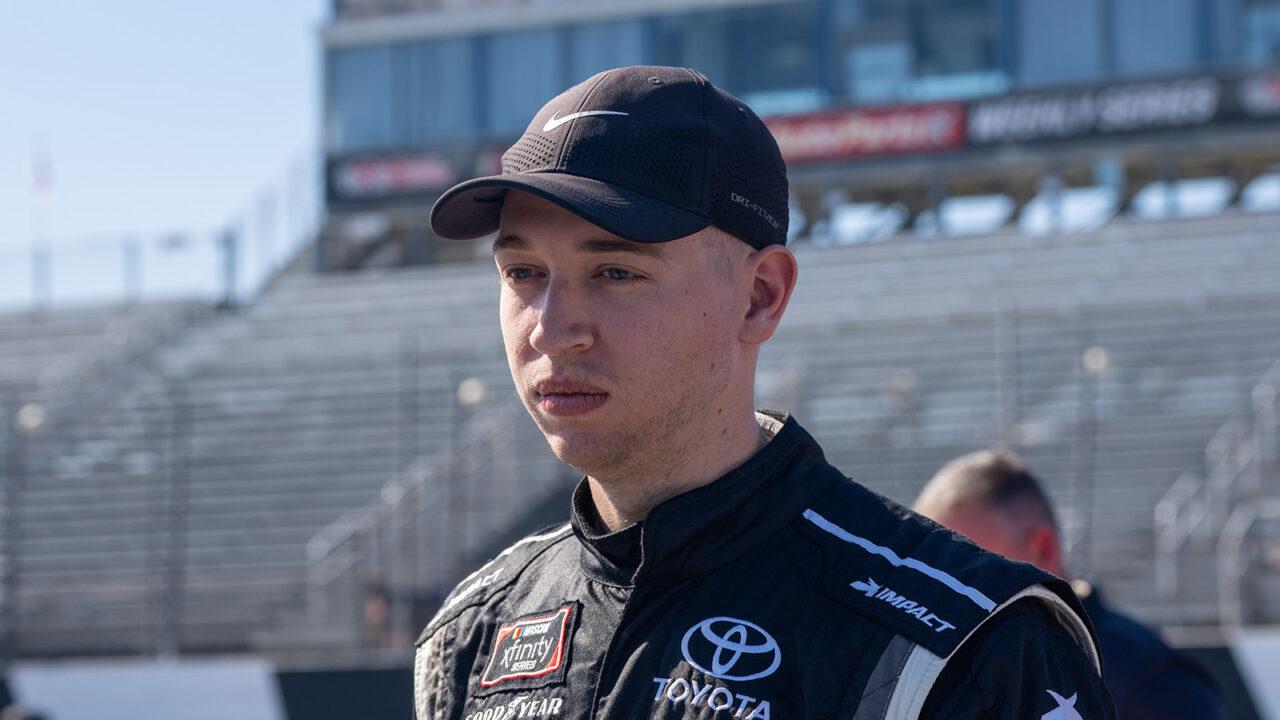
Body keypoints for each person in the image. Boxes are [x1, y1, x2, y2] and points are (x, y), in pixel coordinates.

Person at [413, 65, 1114, 720]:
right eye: (523, 274)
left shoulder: (969, 643)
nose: (553, 328)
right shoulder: (472, 632)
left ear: (760, 296)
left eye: (616, 273)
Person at [914, 449, 1226, 720]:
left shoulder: (1147, 682)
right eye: (932, 571)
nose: (947, 588)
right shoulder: (931, 669)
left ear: (1043, 549)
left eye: (968, 567)